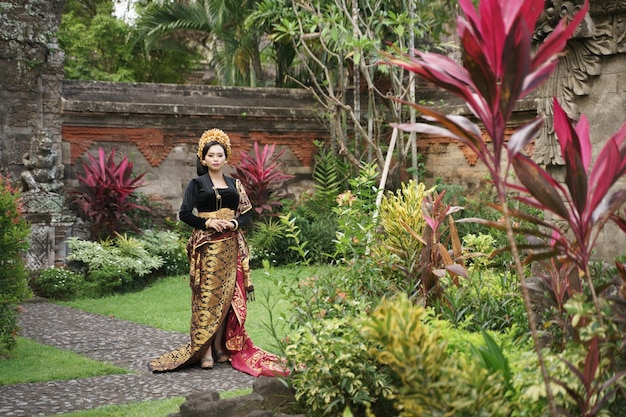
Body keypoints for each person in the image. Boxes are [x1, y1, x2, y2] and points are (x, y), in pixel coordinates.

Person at [148, 129, 287, 377]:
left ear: (226, 158)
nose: (215, 158)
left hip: (231, 246)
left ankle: (222, 346)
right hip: (207, 247)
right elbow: (185, 214)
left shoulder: (235, 185)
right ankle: (207, 350)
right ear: (203, 159)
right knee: (209, 297)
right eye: (210, 155)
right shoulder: (196, 184)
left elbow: (246, 213)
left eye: (219, 155)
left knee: (229, 298)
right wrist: (209, 223)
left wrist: (233, 224)